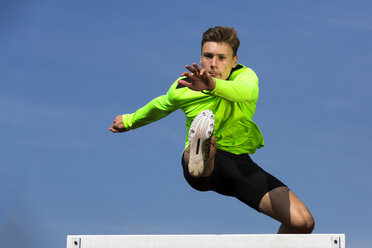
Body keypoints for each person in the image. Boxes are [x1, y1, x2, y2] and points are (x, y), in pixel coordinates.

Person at [109, 26, 315, 233]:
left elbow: (247, 92)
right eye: (208, 56)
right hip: (203, 166)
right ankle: (201, 151)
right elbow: (160, 105)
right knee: (207, 149)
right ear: (200, 57)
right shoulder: (184, 86)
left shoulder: (244, 77)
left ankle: (204, 151)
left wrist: (212, 86)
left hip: (239, 165)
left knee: (302, 222)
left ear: (234, 60)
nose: (213, 63)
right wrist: (129, 121)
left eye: (221, 58)